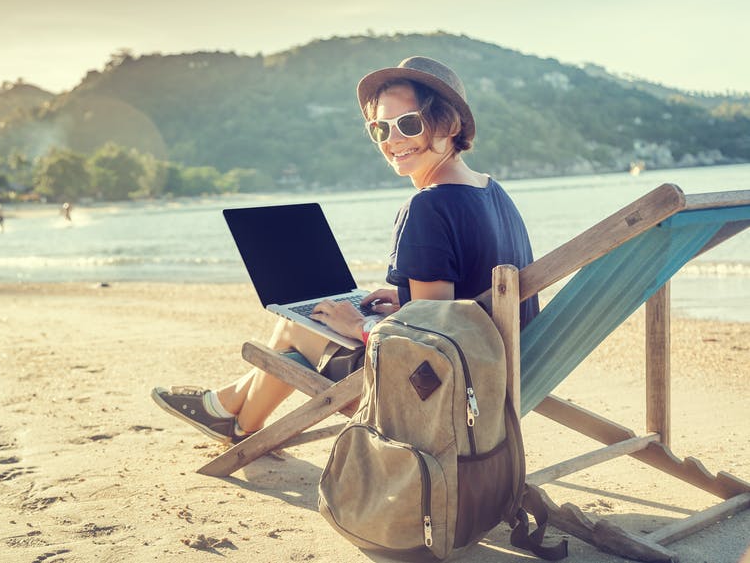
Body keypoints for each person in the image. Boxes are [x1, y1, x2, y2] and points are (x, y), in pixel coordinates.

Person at [151, 56, 538, 444]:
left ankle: (236, 422)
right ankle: (229, 411)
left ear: (450, 124)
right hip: (494, 374)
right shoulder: (491, 191)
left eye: (409, 124)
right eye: (380, 128)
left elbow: (426, 346)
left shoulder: (429, 207)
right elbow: (453, 306)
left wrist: (357, 326)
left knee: (298, 321)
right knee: (312, 320)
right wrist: (406, 300)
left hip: (442, 395)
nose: (392, 140)